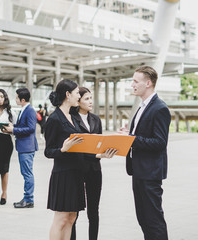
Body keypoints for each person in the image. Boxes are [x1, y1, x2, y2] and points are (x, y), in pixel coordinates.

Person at [122, 66, 171, 240]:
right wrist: (129, 135)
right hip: (139, 171)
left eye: (136, 81)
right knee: (143, 219)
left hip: (150, 173)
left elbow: (159, 142)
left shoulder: (159, 108)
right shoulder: (143, 106)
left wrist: (131, 139)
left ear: (148, 83)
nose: (132, 85)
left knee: (153, 220)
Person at [70, 87, 117, 240]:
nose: (90, 102)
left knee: (93, 211)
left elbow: (100, 143)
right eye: (86, 99)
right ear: (78, 101)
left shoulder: (96, 119)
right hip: (77, 169)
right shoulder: (71, 119)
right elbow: (75, 147)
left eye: (91, 98)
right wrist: (96, 154)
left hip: (95, 169)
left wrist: (104, 153)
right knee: (74, 212)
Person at [44, 79, 85, 240]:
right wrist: (63, 149)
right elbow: (48, 151)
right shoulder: (54, 119)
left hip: (76, 172)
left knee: (71, 218)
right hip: (63, 174)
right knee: (61, 219)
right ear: (68, 95)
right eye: (76, 93)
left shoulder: (73, 117)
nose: (79, 96)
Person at [2, 88, 38, 208]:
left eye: (17, 97)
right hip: (24, 146)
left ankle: (29, 200)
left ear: (22, 100)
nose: (15, 99)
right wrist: (13, 126)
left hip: (27, 147)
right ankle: (27, 198)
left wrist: (14, 130)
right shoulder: (24, 110)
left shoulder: (30, 111)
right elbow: (24, 125)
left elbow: (31, 128)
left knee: (27, 174)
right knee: (26, 173)